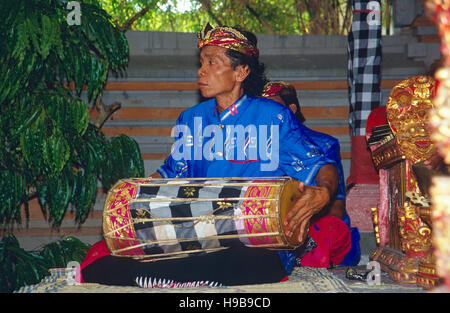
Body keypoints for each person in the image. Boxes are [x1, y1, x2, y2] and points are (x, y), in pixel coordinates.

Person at [79, 24, 351, 287]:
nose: (201, 71)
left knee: (240, 259)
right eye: (201, 62)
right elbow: (169, 174)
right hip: (198, 231)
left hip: (256, 239)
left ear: (241, 71)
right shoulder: (191, 119)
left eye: (212, 62)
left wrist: (324, 192)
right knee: (100, 262)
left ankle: (154, 275)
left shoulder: (273, 116)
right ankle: (161, 272)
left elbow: (319, 164)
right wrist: (131, 199)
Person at [262, 81, 361, 266]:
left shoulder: (324, 144)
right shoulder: (255, 145)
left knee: (329, 229)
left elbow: (336, 208)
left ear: (290, 110)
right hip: (269, 225)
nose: (266, 115)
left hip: (310, 223)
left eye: (272, 107)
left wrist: (296, 220)